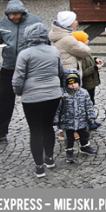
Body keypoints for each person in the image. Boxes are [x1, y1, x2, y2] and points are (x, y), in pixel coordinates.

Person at [0, 0, 46, 147]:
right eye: (10, 14)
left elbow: (45, 41)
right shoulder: (3, 23)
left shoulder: (36, 21)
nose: (12, 17)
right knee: (4, 100)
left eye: (15, 13)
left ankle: (41, 130)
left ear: (23, 12)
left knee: (36, 100)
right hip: (9, 67)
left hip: (30, 68)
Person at [12, 23, 64, 177]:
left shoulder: (25, 54)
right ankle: (49, 159)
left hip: (32, 97)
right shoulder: (54, 51)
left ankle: (39, 167)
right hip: (53, 95)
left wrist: (20, 92)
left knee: (35, 129)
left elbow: (18, 78)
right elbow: (60, 72)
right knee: (48, 126)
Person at [54, 68, 97, 164]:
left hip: (81, 120)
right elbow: (58, 108)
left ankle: (85, 146)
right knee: (69, 138)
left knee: (84, 134)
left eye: (75, 83)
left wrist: (91, 116)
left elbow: (89, 105)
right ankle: (69, 151)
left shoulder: (84, 93)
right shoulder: (63, 94)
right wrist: (56, 119)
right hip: (67, 121)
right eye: (70, 83)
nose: (73, 85)